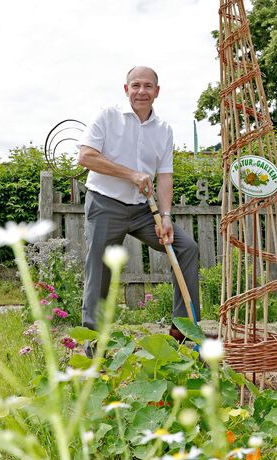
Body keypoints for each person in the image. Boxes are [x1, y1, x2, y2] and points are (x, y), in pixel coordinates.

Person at [78, 66, 200, 355]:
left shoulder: (164, 130)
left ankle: (182, 330)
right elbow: (86, 156)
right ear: (126, 89)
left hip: (145, 210)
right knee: (100, 270)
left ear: (157, 91)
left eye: (147, 86)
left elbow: (165, 176)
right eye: (135, 85)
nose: (141, 91)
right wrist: (131, 174)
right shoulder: (106, 117)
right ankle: (94, 343)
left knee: (186, 248)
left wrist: (167, 217)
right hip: (105, 204)